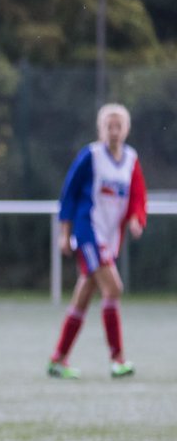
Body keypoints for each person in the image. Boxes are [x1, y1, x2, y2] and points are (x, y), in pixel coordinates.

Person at [47, 103, 146, 380]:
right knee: (114, 288)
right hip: (88, 231)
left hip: (111, 237)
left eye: (119, 126)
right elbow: (68, 194)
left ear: (126, 129)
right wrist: (65, 233)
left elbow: (138, 195)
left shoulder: (130, 159)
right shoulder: (90, 156)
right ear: (100, 129)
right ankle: (118, 360)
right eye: (108, 126)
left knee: (84, 296)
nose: (114, 132)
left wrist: (138, 218)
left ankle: (58, 359)